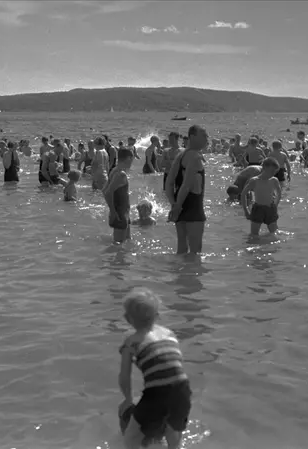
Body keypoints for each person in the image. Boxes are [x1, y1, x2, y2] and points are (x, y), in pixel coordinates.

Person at [118, 287, 191, 449]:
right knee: (174, 434)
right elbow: (175, 364)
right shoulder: (169, 334)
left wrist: (127, 399)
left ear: (127, 318)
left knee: (130, 438)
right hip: (183, 389)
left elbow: (124, 377)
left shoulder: (131, 342)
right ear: (157, 316)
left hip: (157, 394)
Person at [165, 125, 207, 255]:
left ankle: (178, 269)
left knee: (182, 251)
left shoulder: (181, 155)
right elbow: (186, 185)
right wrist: (177, 206)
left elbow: (169, 183)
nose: (207, 138)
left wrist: (174, 204)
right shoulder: (195, 157)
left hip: (181, 208)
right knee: (195, 253)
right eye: (203, 135)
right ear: (192, 137)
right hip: (193, 207)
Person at [241, 158, 282, 236]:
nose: (273, 174)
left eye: (275, 172)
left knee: (274, 233)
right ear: (264, 168)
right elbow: (243, 194)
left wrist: (275, 205)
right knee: (254, 235)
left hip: (270, 208)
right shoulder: (255, 180)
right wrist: (246, 210)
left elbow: (279, 193)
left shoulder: (274, 180)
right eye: (272, 171)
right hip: (258, 209)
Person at [103, 148, 134, 243]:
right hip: (120, 213)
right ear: (128, 158)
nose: (132, 163)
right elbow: (107, 192)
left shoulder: (114, 170)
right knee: (118, 245)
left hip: (123, 212)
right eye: (132, 159)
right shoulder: (121, 174)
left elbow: (104, 190)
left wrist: (112, 209)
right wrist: (113, 211)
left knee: (127, 241)